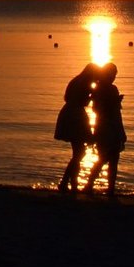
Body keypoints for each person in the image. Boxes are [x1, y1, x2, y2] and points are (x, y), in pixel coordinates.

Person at [54, 62, 100, 192]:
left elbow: (67, 97)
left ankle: (72, 183)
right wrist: (93, 93)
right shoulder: (85, 83)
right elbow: (85, 101)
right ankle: (65, 182)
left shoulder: (76, 81)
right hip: (76, 115)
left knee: (77, 152)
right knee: (79, 153)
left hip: (68, 112)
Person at [84, 63, 127, 196]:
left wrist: (121, 132)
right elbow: (100, 110)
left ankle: (109, 189)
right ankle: (91, 185)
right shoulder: (102, 89)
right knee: (106, 158)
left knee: (112, 159)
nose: (114, 77)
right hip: (106, 127)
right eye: (112, 74)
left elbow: (114, 112)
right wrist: (114, 102)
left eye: (115, 75)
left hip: (110, 127)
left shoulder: (107, 89)